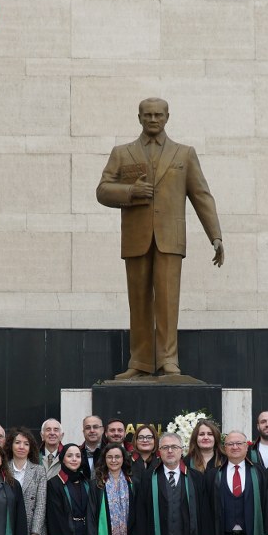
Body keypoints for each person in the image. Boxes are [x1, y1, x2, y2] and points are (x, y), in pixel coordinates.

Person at [95, 96, 225, 379]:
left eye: (158, 115)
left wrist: (215, 235)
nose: (153, 119)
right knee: (138, 300)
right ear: (139, 117)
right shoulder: (122, 153)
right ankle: (140, 362)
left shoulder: (184, 154)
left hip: (170, 238)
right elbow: (102, 190)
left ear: (168, 117)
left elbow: (201, 195)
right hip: (136, 238)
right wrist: (130, 192)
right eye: (147, 115)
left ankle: (168, 361)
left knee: (167, 301)